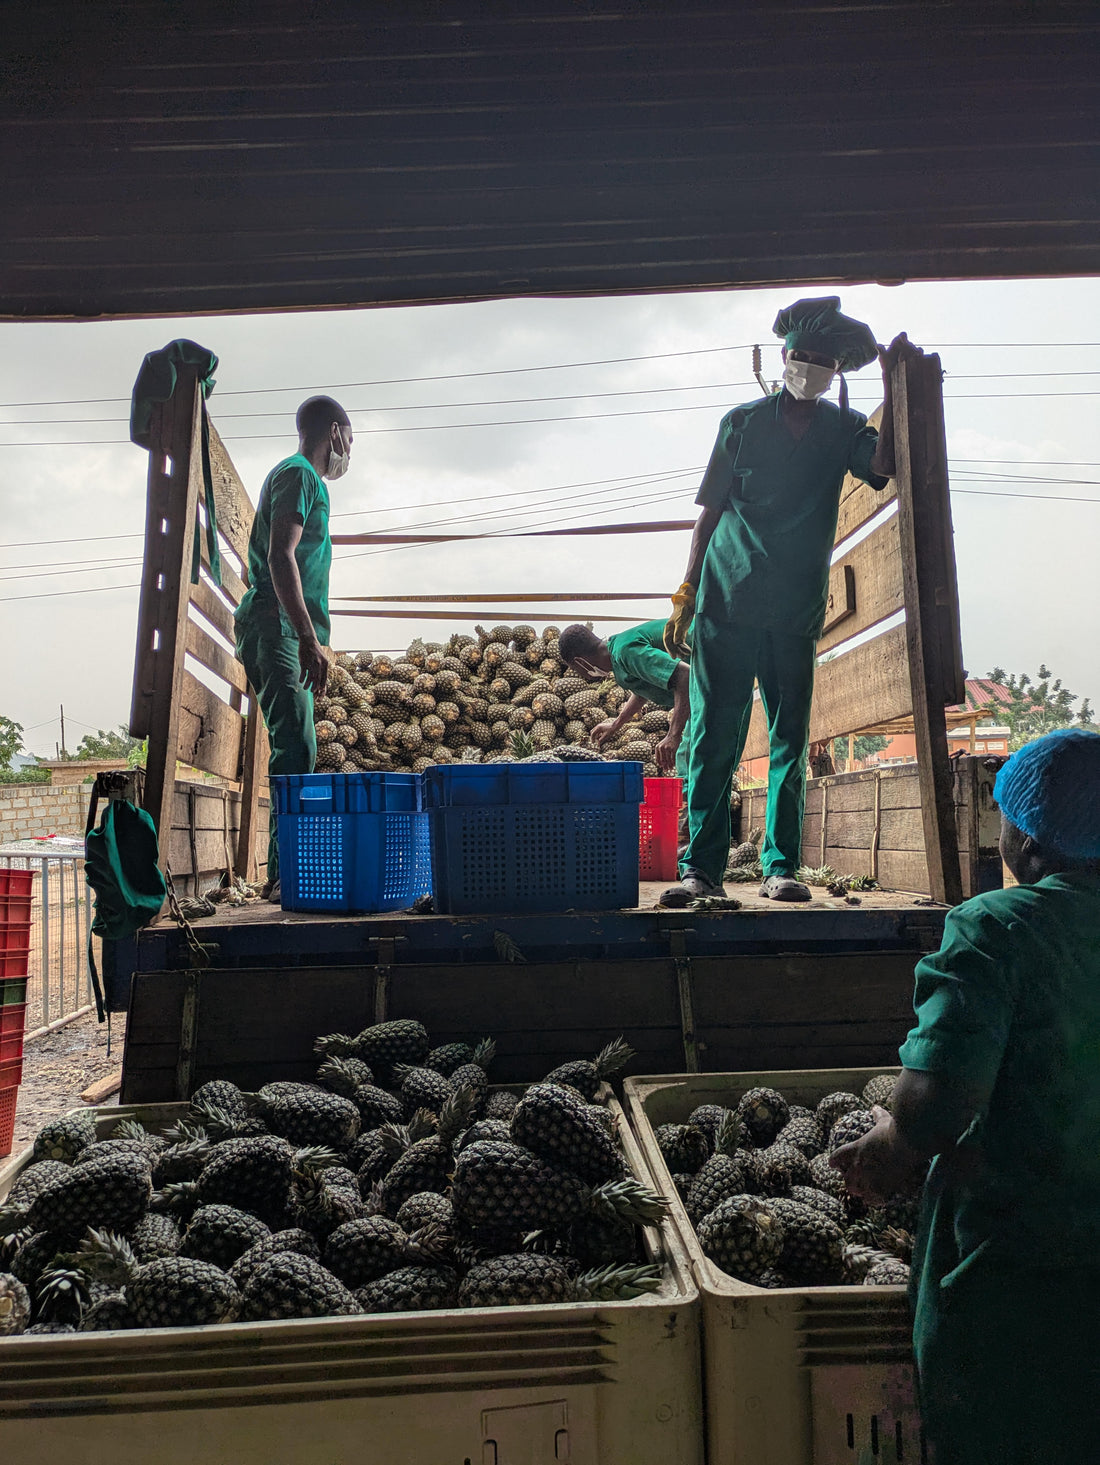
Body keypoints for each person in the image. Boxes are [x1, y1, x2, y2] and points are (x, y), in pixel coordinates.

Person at [831, 728, 1100, 1465]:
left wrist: (884, 1156)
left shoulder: (998, 930)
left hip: (1021, 1286)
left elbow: (934, 1107)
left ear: (1031, 837)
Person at [662, 297, 915, 903]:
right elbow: (710, 513)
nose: (808, 367)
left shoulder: (846, 431)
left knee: (788, 740)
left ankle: (780, 866)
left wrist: (894, 381)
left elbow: (883, 465)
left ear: (835, 371)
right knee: (714, 739)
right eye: (799, 356)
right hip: (726, 598)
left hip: (795, 609)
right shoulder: (741, 423)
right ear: (783, 357)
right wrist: (688, 589)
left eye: (821, 360)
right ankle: (701, 868)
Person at [235, 396, 353, 899]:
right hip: (278, 627)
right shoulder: (301, 474)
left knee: (298, 743)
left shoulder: (303, 480)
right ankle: (283, 873)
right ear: (334, 431)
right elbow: (280, 555)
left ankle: (285, 869)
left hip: (285, 629)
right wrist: (307, 638)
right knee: (296, 746)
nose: (351, 451)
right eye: (351, 438)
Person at [557, 620, 690, 775]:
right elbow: (642, 688)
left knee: (692, 763)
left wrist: (672, 735)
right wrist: (616, 724)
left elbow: (685, 676)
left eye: (574, 669)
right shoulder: (618, 656)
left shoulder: (625, 650)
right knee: (689, 763)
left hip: (714, 674)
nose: (579, 675)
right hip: (705, 693)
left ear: (580, 662)